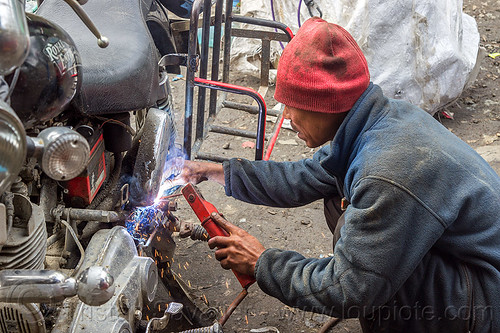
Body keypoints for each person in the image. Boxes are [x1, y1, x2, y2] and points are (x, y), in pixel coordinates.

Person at [175, 17, 500, 332]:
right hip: (466, 267)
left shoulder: (384, 172)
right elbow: (302, 177)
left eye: (291, 105)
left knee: (363, 267)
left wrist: (262, 262)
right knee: (339, 200)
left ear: (324, 103)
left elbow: (349, 289)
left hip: (485, 300)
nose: (286, 117)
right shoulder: (376, 122)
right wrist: (214, 172)